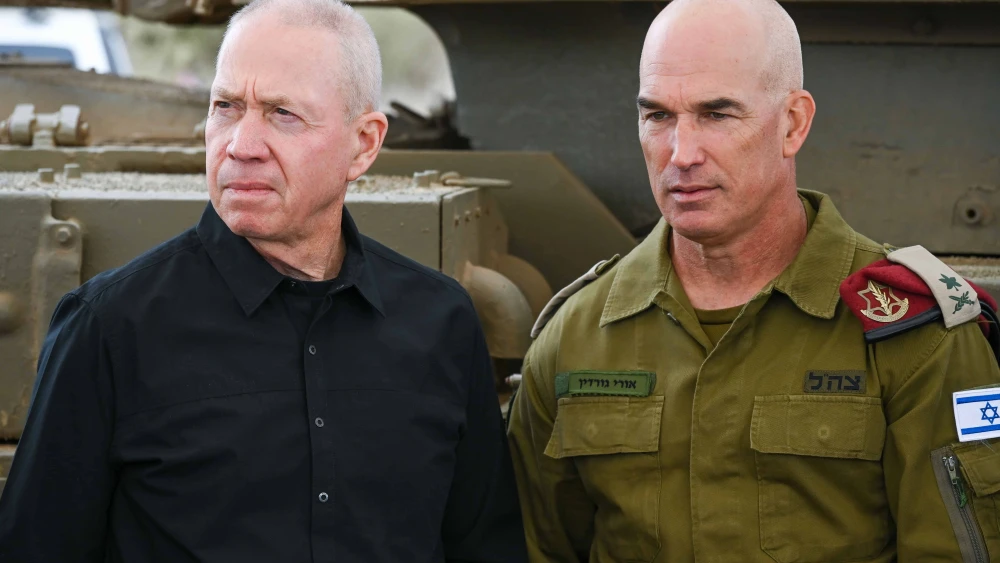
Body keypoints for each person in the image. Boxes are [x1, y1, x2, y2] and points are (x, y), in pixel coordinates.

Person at [0, 0, 527, 561]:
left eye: (282, 114)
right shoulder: (107, 327)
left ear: (364, 143)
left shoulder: (441, 322)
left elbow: (484, 544)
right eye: (226, 106)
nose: (241, 145)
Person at [506, 0, 1000, 561]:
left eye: (717, 115)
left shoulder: (918, 336)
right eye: (658, 116)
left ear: (793, 123)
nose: (681, 154)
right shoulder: (575, 336)